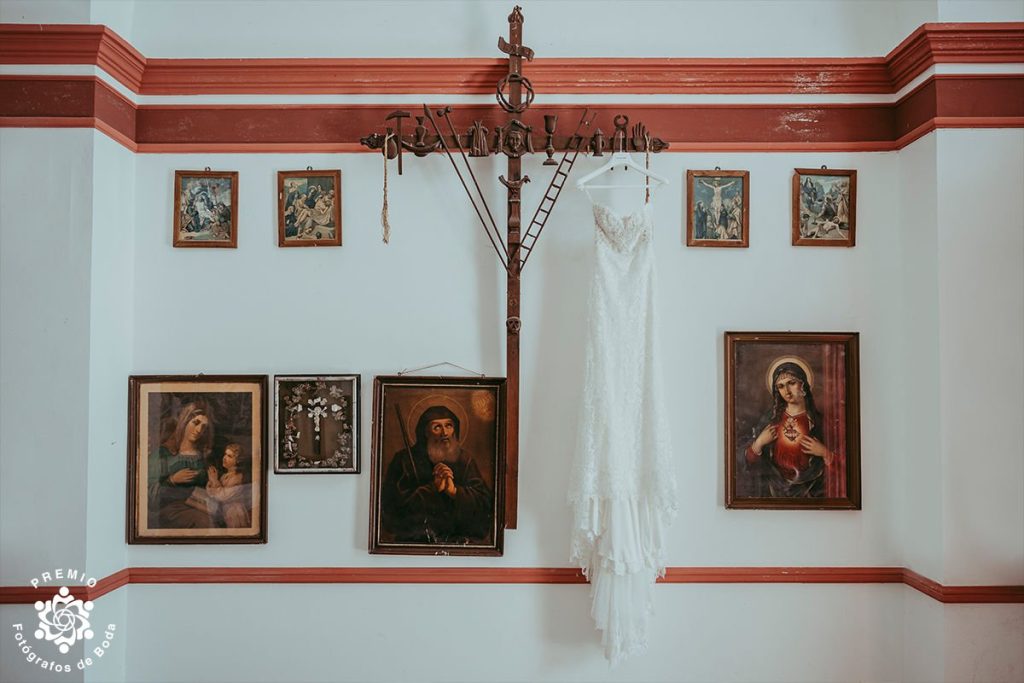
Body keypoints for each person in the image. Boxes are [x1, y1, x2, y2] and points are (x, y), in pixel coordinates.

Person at [380, 405, 493, 544]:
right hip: (415, 542)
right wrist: (432, 489)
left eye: (449, 426)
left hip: (459, 541)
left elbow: (485, 506)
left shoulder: (465, 460)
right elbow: (391, 510)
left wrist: (455, 492)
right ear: (425, 432)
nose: (444, 433)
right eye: (437, 427)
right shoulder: (404, 460)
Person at [744, 359, 834, 498]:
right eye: (780, 386)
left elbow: (842, 466)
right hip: (773, 487)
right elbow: (748, 461)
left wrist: (824, 453)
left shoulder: (818, 421)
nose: (786, 391)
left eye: (791, 383)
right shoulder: (770, 418)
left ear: (803, 384)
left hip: (811, 488)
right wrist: (759, 443)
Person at [147, 402, 215, 528]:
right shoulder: (164, 454)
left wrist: (213, 484)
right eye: (195, 423)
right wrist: (172, 480)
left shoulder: (204, 455)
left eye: (204, 427)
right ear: (185, 422)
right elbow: (149, 496)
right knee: (203, 520)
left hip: (201, 504)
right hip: (171, 509)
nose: (199, 430)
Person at [205, 442, 251, 528]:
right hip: (224, 511)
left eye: (229, 456)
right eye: (225, 454)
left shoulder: (238, 477)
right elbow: (212, 493)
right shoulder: (224, 476)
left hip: (234, 513)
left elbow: (222, 496)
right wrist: (212, 481)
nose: (224, 458)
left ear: (238, 461)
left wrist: (214, 480)